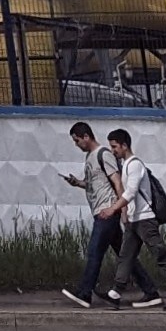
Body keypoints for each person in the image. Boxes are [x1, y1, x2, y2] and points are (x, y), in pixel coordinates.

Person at [105, 127, 166, 308]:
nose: (113, 151)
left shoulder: (135, 165)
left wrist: (113, 209)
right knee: (126, 256)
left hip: (145, 220)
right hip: (134, 220)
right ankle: (115, 292)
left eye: (115, 147)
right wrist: (126, 215)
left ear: (124, 145)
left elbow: (131, 193)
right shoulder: (126, 165)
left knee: (160, 257)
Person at [60, 120, 129, 306]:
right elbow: (94, 184)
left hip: (106, 212)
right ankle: (150, 290)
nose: (77, 144)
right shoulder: (90, 157)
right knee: (125, 255)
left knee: (94, 252)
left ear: (86, 136)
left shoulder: (103, 154)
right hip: (102, 211)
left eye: (77, 141)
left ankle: (85, 293)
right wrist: (78, 183)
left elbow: (117, 182)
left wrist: (122, 210)